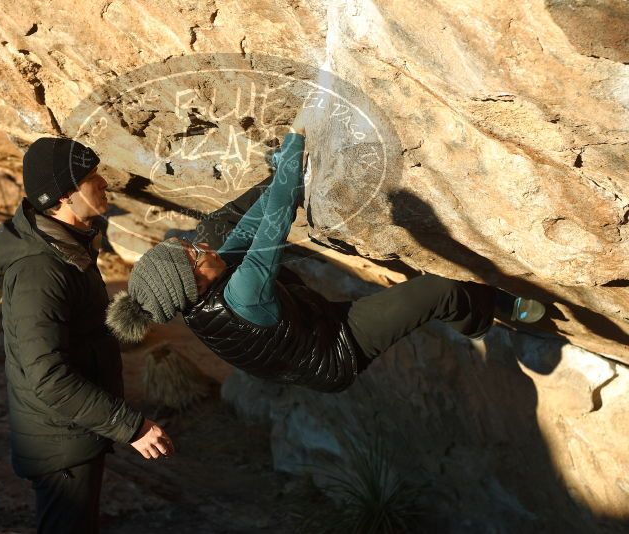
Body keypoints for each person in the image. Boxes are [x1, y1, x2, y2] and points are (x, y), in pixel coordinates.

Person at [105, 111, 546, 393]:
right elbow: (278, 218)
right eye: (195, 254)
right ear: (194, 283)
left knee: (431, 296)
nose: (202, 244)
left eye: (191, 244)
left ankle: (474, 307)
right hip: (335, 351)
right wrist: (293, 150)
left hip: (308, 326)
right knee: (439, 291)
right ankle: (487, 313)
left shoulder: (209, 285)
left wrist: (283, 171)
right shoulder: (242, 296)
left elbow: (255, 220)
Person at [0, 137, 174, 533]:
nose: (104, 182)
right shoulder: (40, 271)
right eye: (91, 178)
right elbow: (48, 376)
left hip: (72, 432)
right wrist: (131, 427)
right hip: (60, 443)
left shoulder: (67, 249)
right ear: (63, 196)